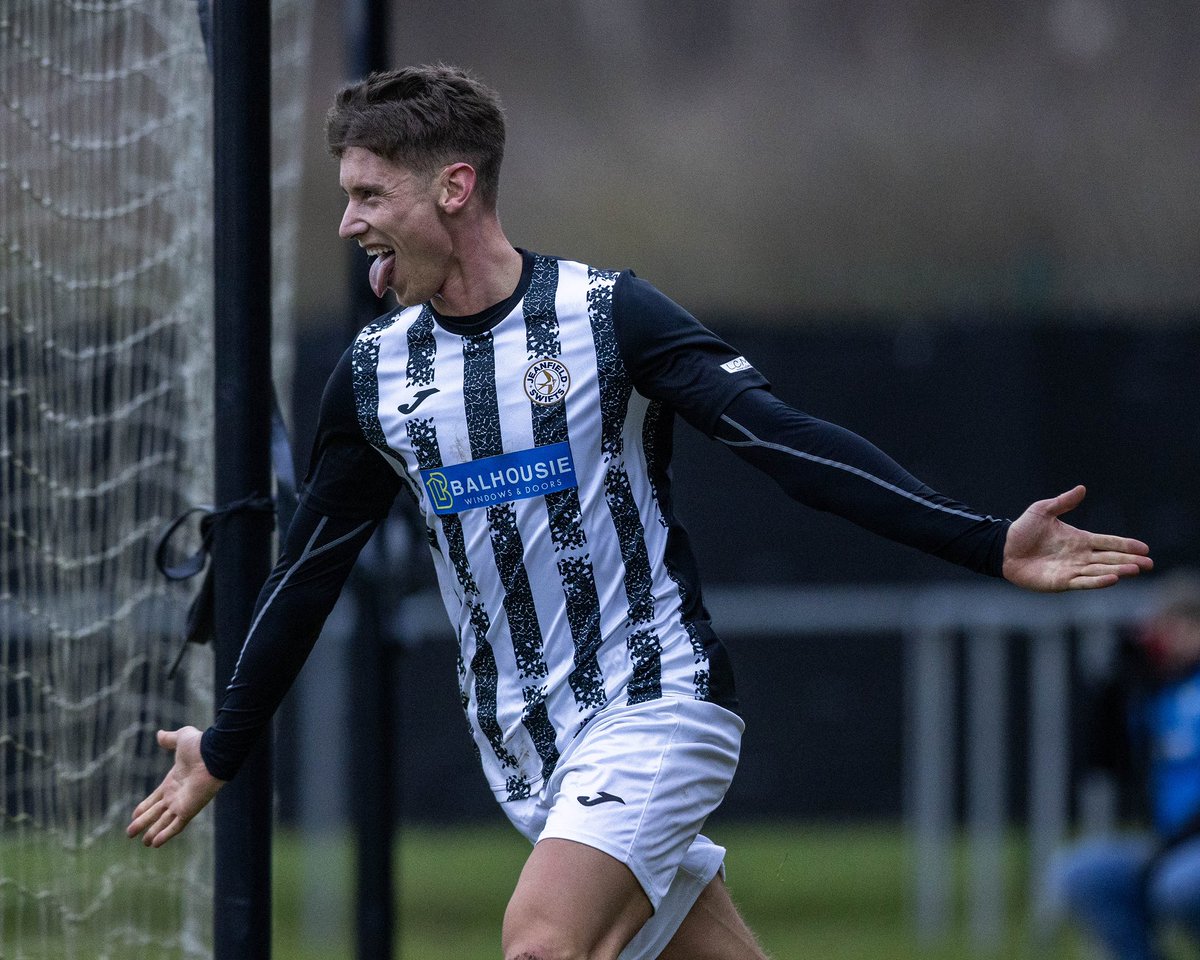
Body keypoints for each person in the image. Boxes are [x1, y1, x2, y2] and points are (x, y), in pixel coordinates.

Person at [127, 64, 1154, 960]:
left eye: (365, 194)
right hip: (526, 747)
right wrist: (225, 742)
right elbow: (309, 572)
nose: (347, 222)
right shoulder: (373, 373)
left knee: (539, 943)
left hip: (656, 701)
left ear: (455, 187)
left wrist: (983, 541)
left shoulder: (606, 315)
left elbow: (785, 444)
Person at [1042, 572, 1200, 960]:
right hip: (1172, 845)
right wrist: (1114, 683)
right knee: (1084, 874)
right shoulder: (1159, 693)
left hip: (1182, 850)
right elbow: (1101, 764)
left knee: (1179, 885)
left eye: (1183, 623)